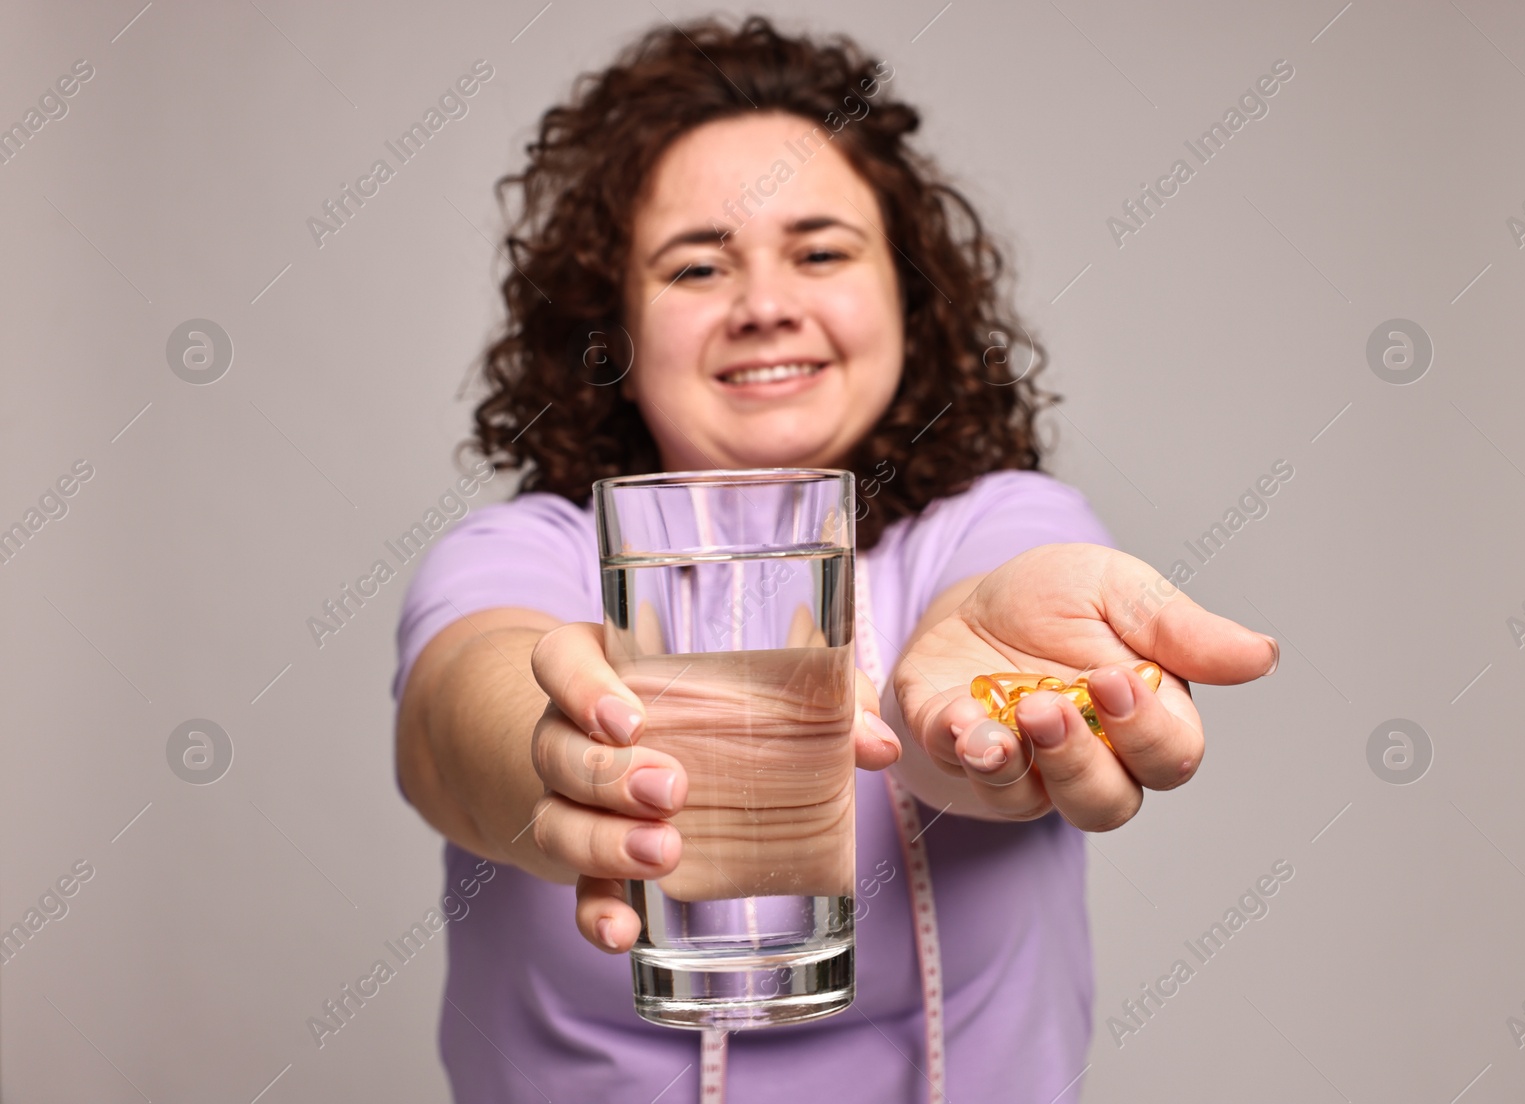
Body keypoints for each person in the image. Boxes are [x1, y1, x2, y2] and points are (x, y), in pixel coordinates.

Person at [392, 15, 1277, 1103]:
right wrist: (553, 757)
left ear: (907, 299)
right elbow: (454, 719)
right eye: (697, 265)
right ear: (611, 326)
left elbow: (959, 682)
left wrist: (972, 722)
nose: (766, 306)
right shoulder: (528, 553)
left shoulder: (997, 525)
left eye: (819, 251)